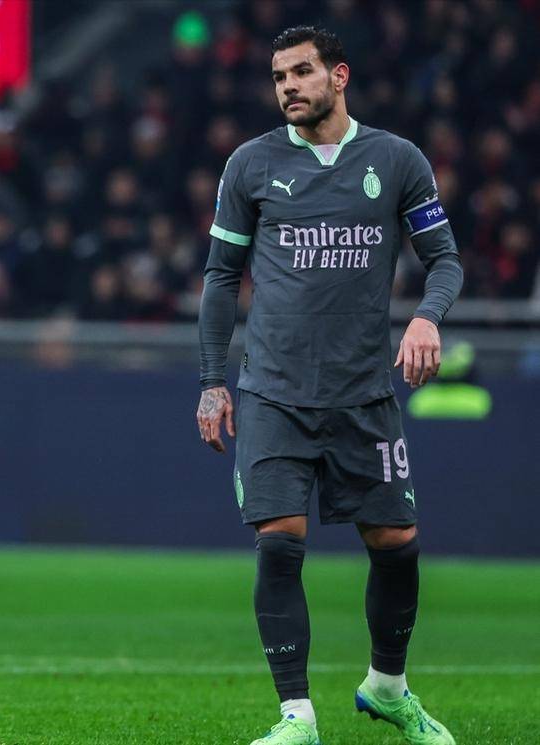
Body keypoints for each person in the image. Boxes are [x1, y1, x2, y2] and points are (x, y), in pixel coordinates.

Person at [196, 27, 463, 745]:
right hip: (273, 390)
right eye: (279, 75)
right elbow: (220, 278)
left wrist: (426, 318)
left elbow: (444, 259)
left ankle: (388, 688)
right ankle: (296, 715)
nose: (288, 85)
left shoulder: (395, 159)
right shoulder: (250, 164)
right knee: (279, 541)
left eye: (302, 71)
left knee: (396, 542)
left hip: (362, 391)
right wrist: (212, 382)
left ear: (338, 76)